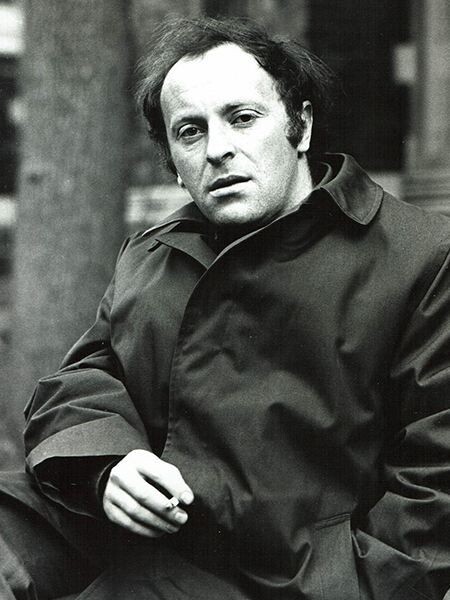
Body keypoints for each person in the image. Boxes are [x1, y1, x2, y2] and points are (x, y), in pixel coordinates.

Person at [1, 15, 450, 600]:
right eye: (190, 131)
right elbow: (85, 377)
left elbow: (436, 481)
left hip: (282, 576)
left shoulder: (422, 257)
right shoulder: (155, 251)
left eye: (242, 118)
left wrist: (349, 587)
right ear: (173, 161)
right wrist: (106, 464)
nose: (217, 150)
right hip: (116, 532)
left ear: (301, 127)